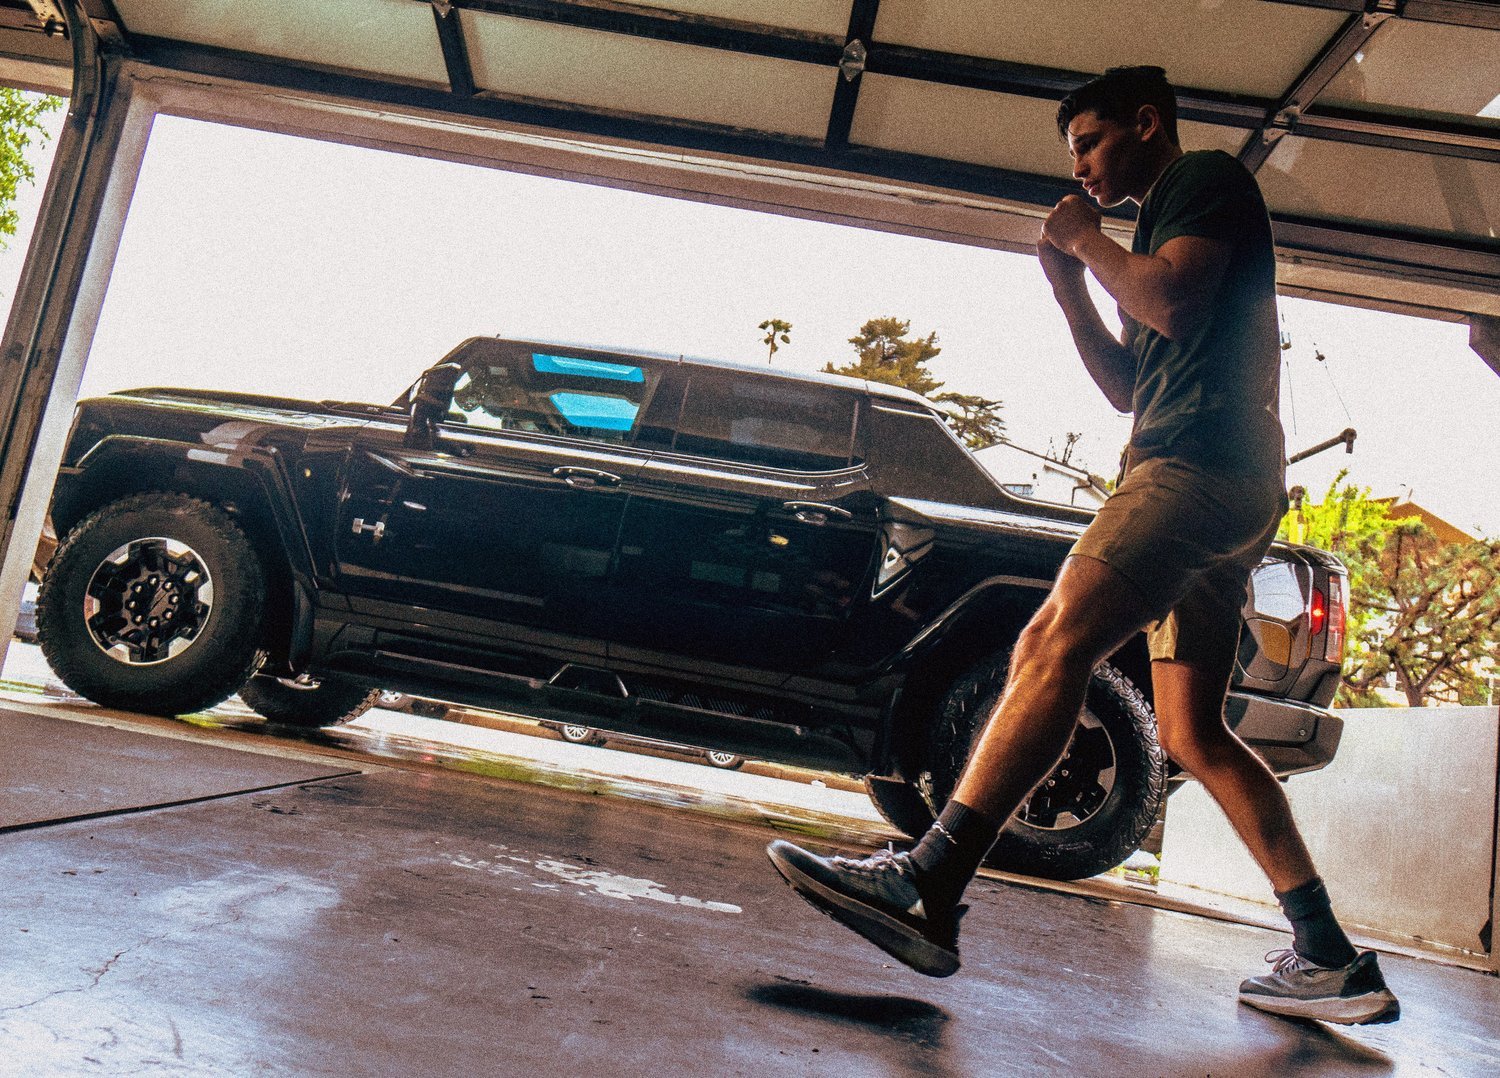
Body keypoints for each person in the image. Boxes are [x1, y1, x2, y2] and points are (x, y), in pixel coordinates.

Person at [766, 65, 1399, 1027]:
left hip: (1191, 470)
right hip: (1223, 484)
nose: (1081, 169)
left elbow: (1171, 303)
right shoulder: (1155, 236)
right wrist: (1070, 287)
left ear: (1146, 124)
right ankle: (1328, 955)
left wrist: (1081, 239)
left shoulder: (1204, 181)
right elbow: (1125, 385)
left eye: (1091, 145)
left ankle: (928, 882)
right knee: (1192, 733)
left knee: (1050, 642)